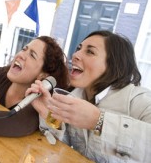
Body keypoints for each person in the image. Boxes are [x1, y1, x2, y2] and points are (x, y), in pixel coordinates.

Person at [28, 30, 151, 162]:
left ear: (113, 65)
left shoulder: (140, 101)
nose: (75, 55)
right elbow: (63, 148)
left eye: (90, 52)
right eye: (78, 49)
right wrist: (49, 115)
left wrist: (99, 121)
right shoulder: (73, 97)